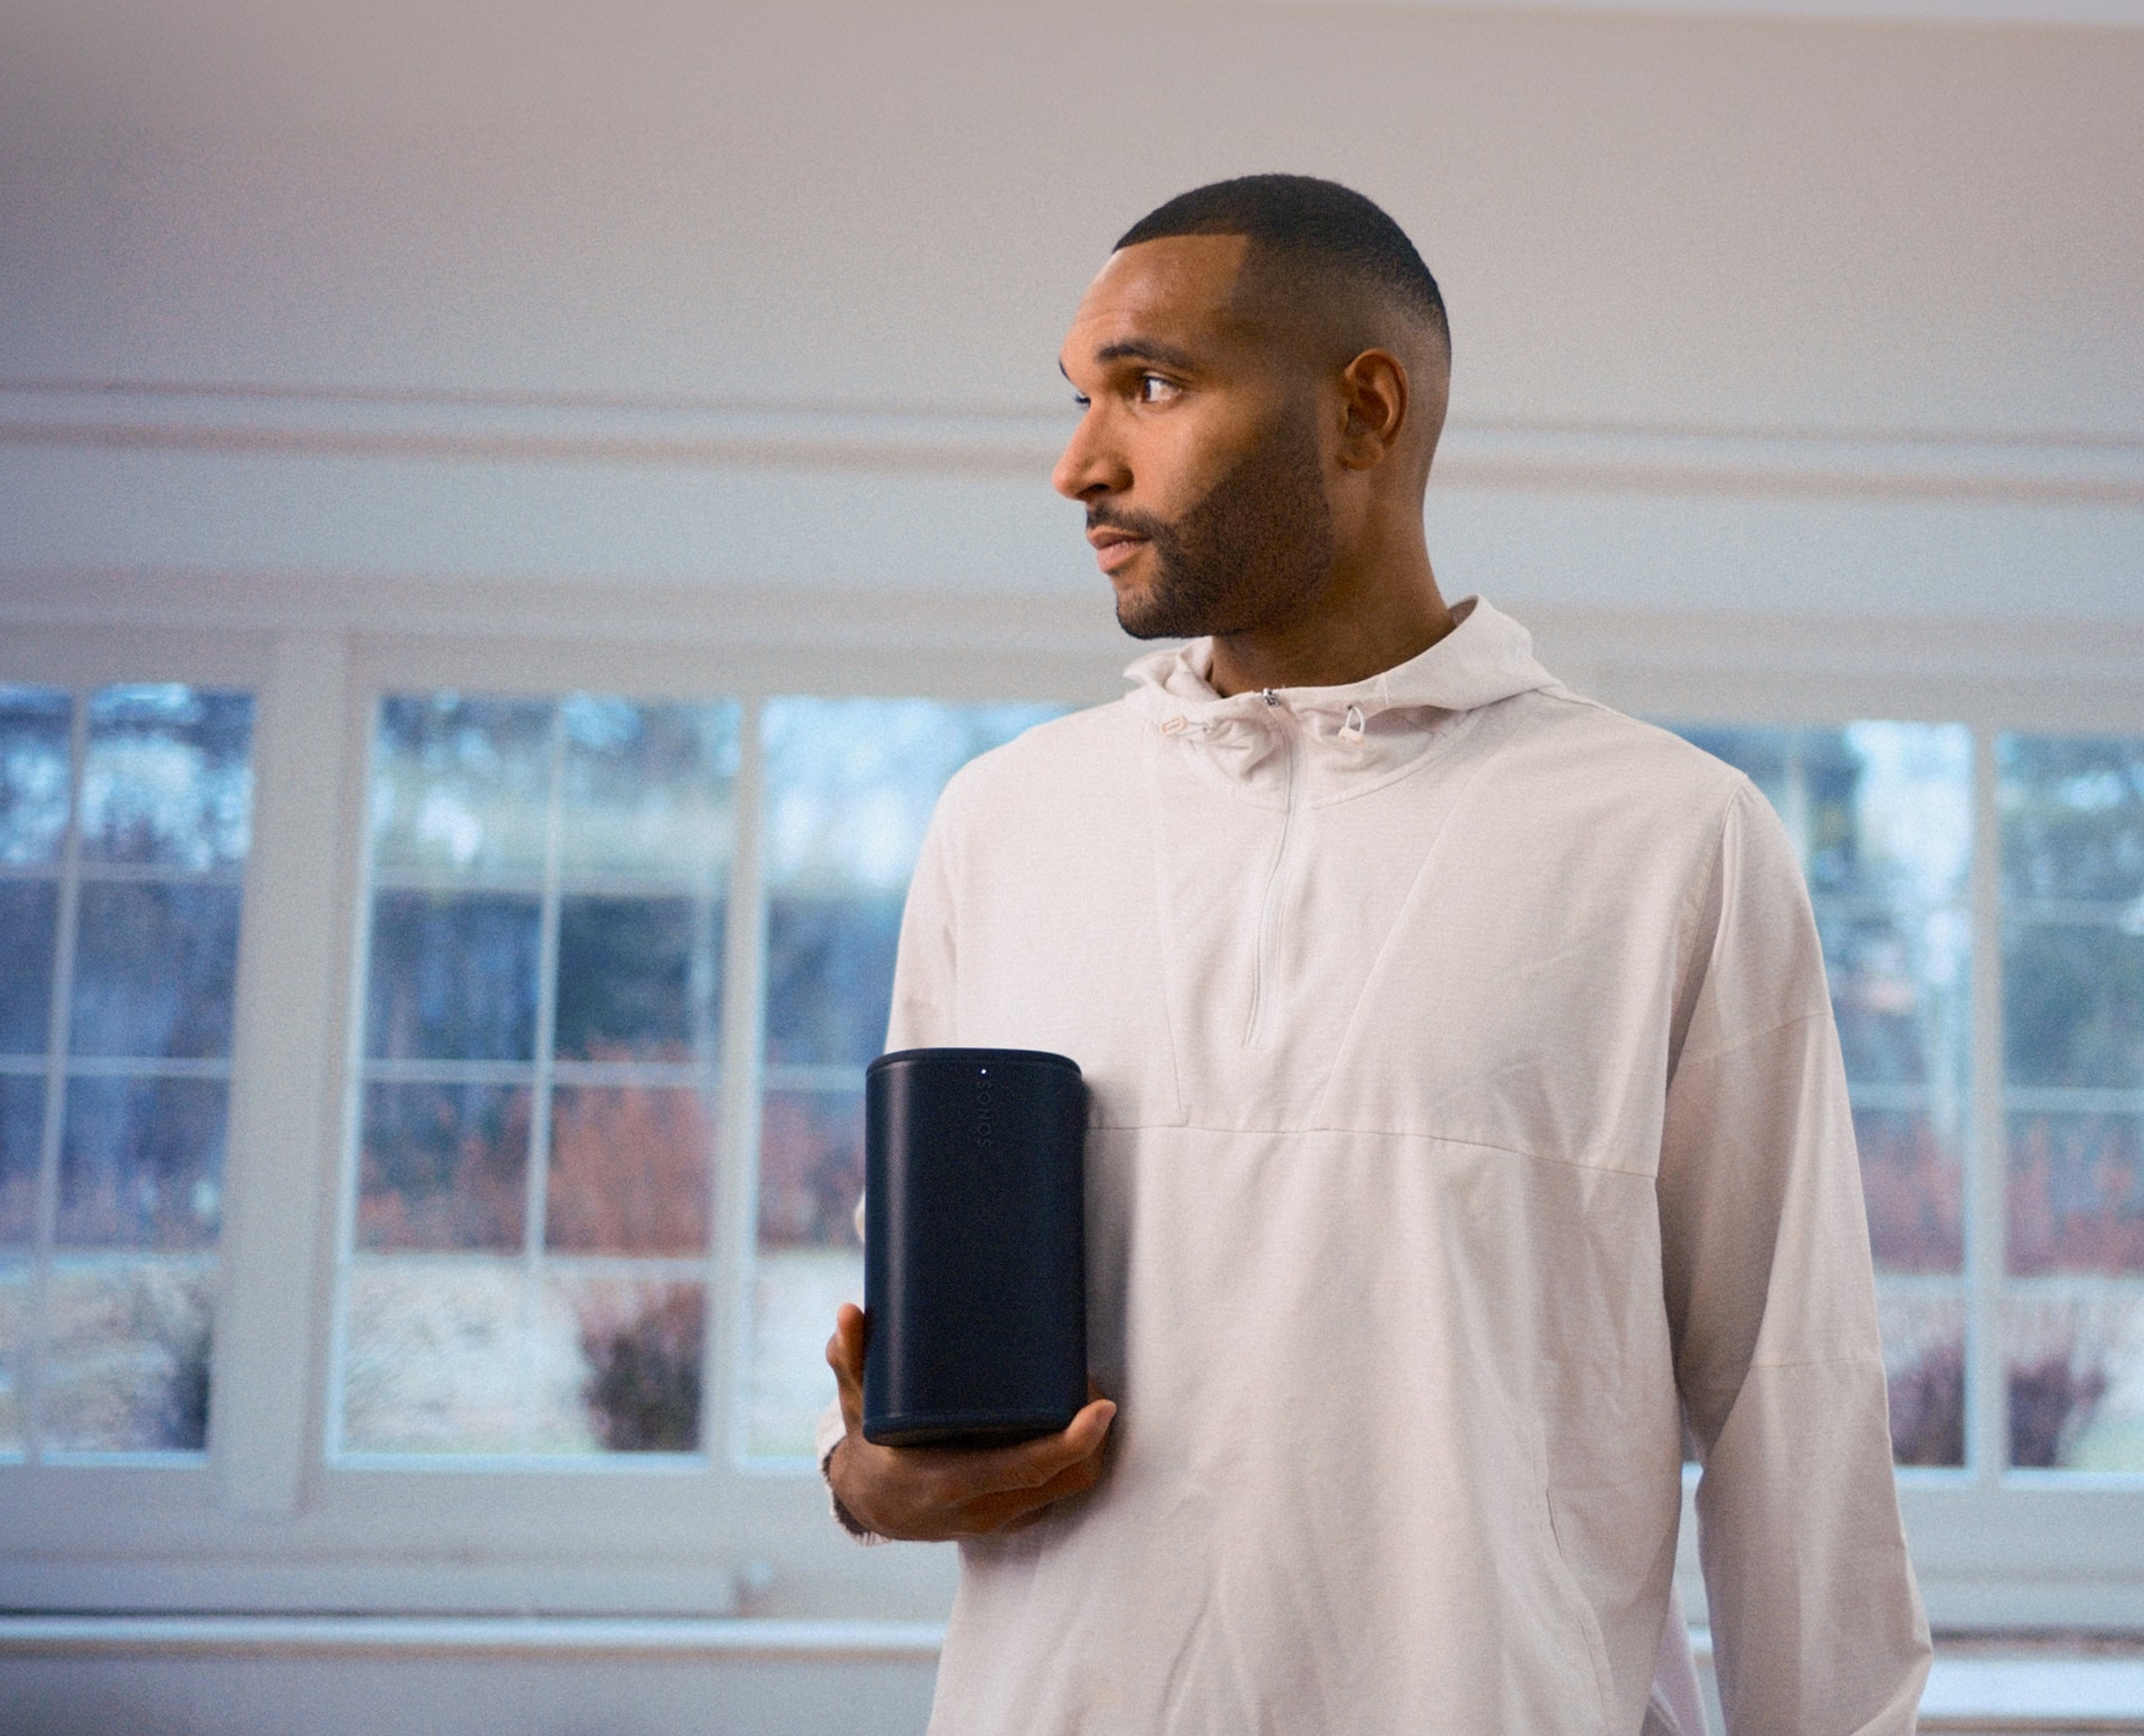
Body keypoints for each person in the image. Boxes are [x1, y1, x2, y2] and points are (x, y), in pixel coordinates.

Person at [820, 174, 1931, 1735]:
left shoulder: (1671, 838)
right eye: (1082, 399)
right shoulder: (1002, 824)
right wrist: (869, 1480)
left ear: (1365, 410)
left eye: (1151, 386)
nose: (1080, 463)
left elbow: (1790, 1411)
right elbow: (911, 1386)